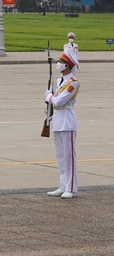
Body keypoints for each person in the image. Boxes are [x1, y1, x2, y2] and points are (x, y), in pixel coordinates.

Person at [46, 49, 80, 199]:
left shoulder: (74, 83)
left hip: (67, 120)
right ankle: (63, 184)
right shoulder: (61, 81)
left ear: (67, 65)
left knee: (69, 156)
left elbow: (59, 101)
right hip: (58, 120)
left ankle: (71, 187)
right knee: (61, 155)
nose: (58, 64)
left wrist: (49, 97)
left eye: (61, 62)